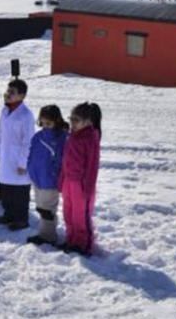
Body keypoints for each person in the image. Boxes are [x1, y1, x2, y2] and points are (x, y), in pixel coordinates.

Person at [59, 102, 102, 256]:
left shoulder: (91, 138)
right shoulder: (72, 136)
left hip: (81, 185)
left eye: (76, 120)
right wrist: (61, 180)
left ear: (88, 121)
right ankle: (72, 239)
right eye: (71, 119)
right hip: (68, 182)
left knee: (80, 216)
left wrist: (88, 188)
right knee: (68, 212)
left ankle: (84, 244)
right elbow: (65, 160)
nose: (72, 123)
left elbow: (92, 167)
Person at [0, 79, 35, 230]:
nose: (8, 94)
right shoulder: (5, 110)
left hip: (18, 160)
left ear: (22, 96)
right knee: (7, 188)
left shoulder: (26, 115)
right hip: (5, 157)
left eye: (12, 92)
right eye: (8, 91)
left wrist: (23, 163)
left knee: (20, 191)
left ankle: (21, 219)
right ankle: (8, 214)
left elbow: (28, 141)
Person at [26, 105, 69, 246]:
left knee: (47, 209)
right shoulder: (38, 136)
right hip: (37, 178)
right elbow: (32, 153)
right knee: (40, 206)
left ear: (57, 121)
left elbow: (63, 159)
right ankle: (45, 232)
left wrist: (55, 174)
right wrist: (30, 168)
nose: (45, 126)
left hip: (50, 180)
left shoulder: (62, 138)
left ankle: (48, 236)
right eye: (43, 123)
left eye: (49, 123)